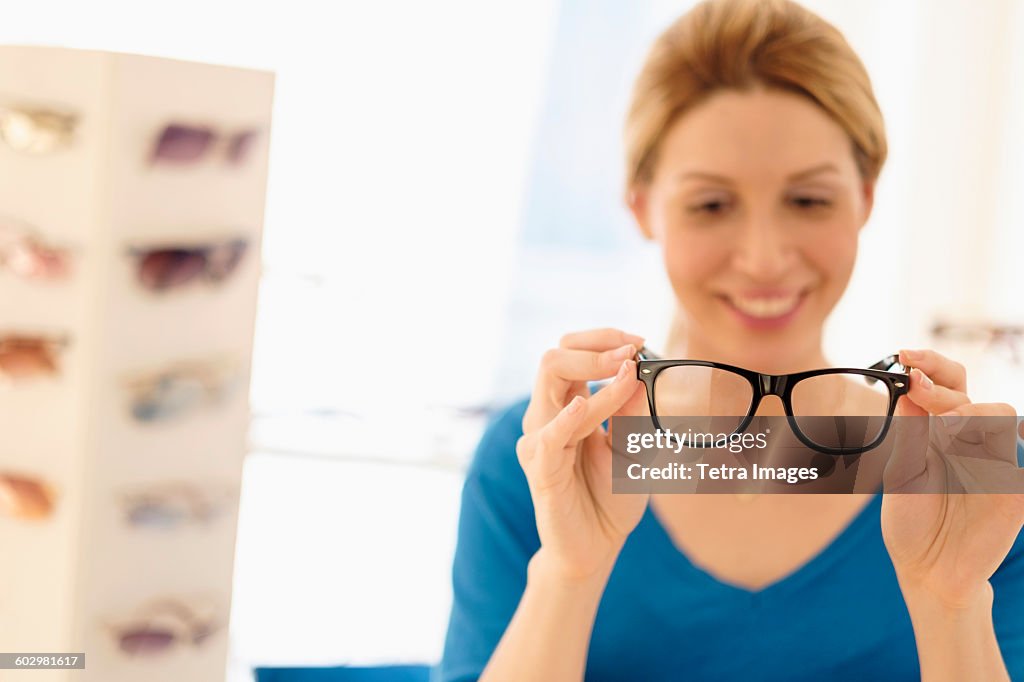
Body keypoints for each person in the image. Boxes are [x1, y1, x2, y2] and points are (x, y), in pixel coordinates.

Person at [437, 0, 1024, 679]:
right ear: (642, 206)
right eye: (712, 205)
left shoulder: (973, 474)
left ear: (865, 198)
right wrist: (567, 573)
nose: (764, 258)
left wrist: (952, 605)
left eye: (808, 201)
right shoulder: (544, 458)